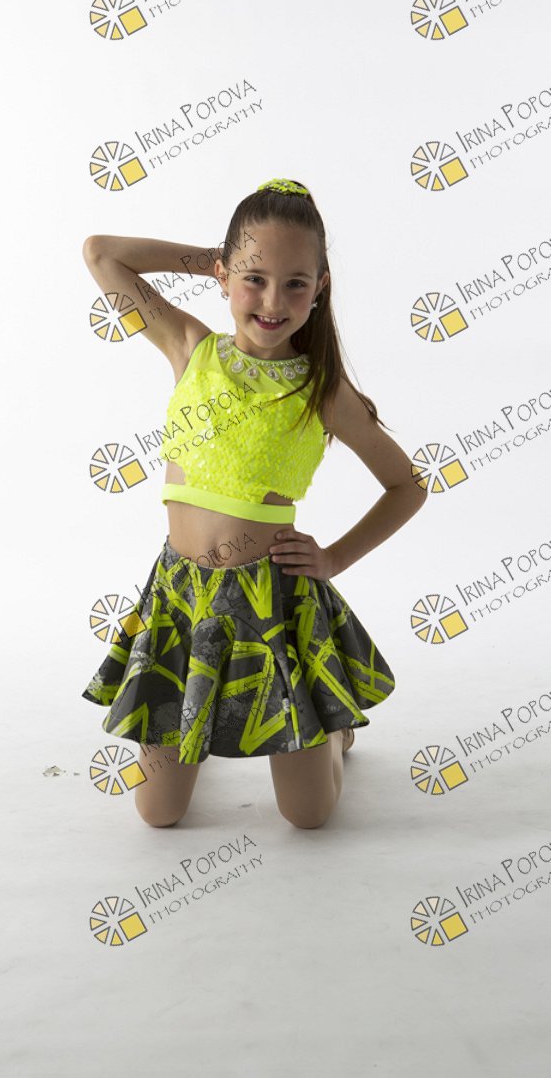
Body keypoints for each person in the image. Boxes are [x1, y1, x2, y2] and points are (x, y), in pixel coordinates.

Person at [80, 177, 428, 829]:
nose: (272, 301)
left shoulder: (322, 390)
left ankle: (334, 731)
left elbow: (407, 485)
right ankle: (203, 717)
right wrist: (217, 258)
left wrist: (333, 558)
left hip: (273, 603)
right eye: (254, 279)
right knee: (158, 814)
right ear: (224, 276)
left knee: (308, 816)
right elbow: (102, 252)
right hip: (183, 601)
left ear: (320, 288)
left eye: (296, 283)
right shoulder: (190, 347)